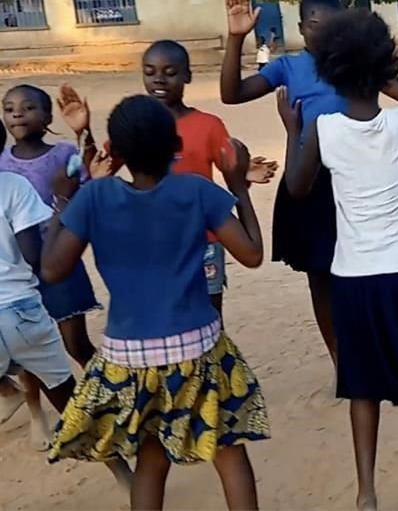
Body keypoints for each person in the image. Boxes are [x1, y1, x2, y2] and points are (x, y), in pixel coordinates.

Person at [41, 94, 270, 510]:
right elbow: (252, 254)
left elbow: (52, 269)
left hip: (127, 355)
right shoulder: (198, 191)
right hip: (197, 347)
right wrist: (238, 187)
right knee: (227, 448)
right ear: (175, 147)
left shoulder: (96, 197)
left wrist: (65, 199)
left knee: (150, 455)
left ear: (116, 153)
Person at [279, 6, 398, 511]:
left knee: (361, 387)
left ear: (331, 67)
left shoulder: (322, 128)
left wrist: (292, 128)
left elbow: (296, 187)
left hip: (354, 278)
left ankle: (365, 491)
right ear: (385, 66)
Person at [219, 0, 398, 372]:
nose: (323, 35)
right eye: (314, 25)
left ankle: (373, 348)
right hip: (308, 180)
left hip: (358, 177)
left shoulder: (356, 65)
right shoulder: (288, 67)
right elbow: (232, 93)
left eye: (332, 27)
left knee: (365, 268)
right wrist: (236, 38)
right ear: (300, 26)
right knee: (321, 275)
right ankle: (342, 360)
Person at [0, 122, 132, 488]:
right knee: (70, 401)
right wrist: (60, 202)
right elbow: (34, 256)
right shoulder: (13, 186)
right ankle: (123, 475)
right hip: (22, 310)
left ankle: (8, 391)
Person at [129, 40, 277, 315]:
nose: (159, 80)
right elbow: (100, 172)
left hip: (204, 240)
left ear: (187, 75)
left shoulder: (208, 125)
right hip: (154, 238)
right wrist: (85, 136)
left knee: (210, 318)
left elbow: (230, 172)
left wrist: (243, 174)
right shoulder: (136, 123)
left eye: (170, 72)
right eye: (150, 72)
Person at [0, 84, 104, 449]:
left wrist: (83, 132)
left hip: (61, 260)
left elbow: (92, 176)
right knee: (27, 350)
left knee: (76, 343)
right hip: (22, 274)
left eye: (28, 107)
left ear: (47, 118)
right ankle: (36, 413)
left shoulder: (63, 154)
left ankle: (108, 397)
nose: (17, 113)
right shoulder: (1, 163)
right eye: (9, 107)